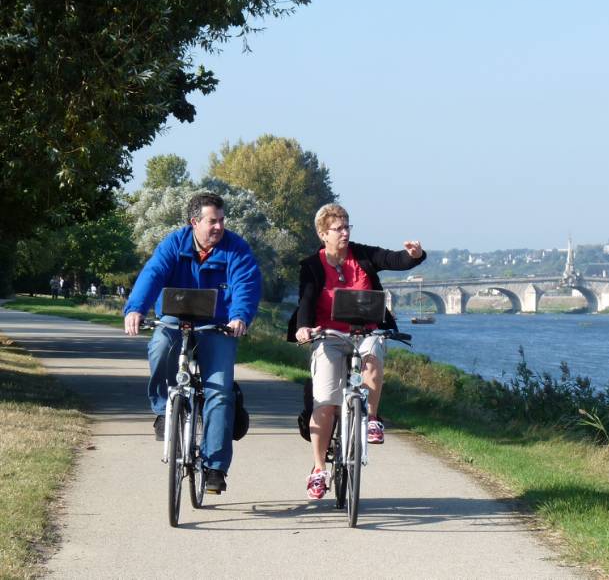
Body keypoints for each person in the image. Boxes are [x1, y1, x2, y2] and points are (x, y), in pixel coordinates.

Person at [123, 192, 262, 494]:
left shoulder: (236, 249)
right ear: (194, 222)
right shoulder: (174, 243)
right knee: (160, 345)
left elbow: (246, 285)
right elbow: (153, 274)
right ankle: (164, 410)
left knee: (220, 390)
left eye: (222, 221)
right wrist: (136, 308)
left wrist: (239, 317)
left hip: (219, 325)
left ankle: (214, 467)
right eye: (212, 221)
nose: (219, 227)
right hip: (176, 318)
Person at [286, 203, 424, 500]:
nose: (345, 232)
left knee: (374, 353)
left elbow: (393, 259)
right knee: (324, 403)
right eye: (339, 228)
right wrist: (303, 327)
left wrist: (414, 256)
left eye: (348, 226)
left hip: (366, 331)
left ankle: (372, 418)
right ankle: (319, 469)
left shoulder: (361, 255)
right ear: (323, 234)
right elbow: (307, 299)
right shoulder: (312, 265)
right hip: (329, 334)